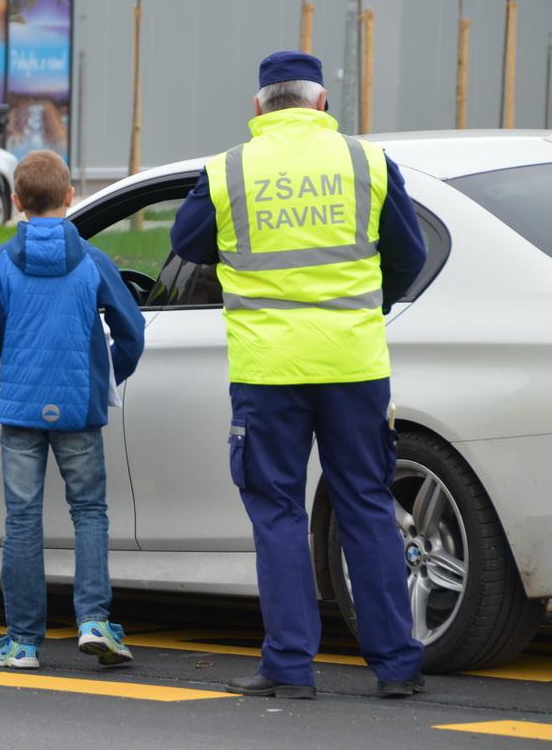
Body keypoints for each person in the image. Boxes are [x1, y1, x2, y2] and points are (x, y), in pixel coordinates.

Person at [170, 51, 428, 699]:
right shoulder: (365, 162)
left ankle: (289, 666)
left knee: (279, 513)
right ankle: (397, 666)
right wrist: (369, 308)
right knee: (367, 505)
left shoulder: (230, 169)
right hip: (354, 365)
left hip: (268, 371)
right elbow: (410, 255)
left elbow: (188, 243)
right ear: (321, 103)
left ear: (259, 106)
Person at [0, 150, 145, 670]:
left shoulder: (0, 262)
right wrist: (108, 372)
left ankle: (21, 642)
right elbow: (132, 329)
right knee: (88, 512)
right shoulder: (92, 260)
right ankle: (93, 620)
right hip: (79, 406)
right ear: (69, 197)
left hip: (19, 408)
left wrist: (12, 346)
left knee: (21, 520)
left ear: (16, 201)